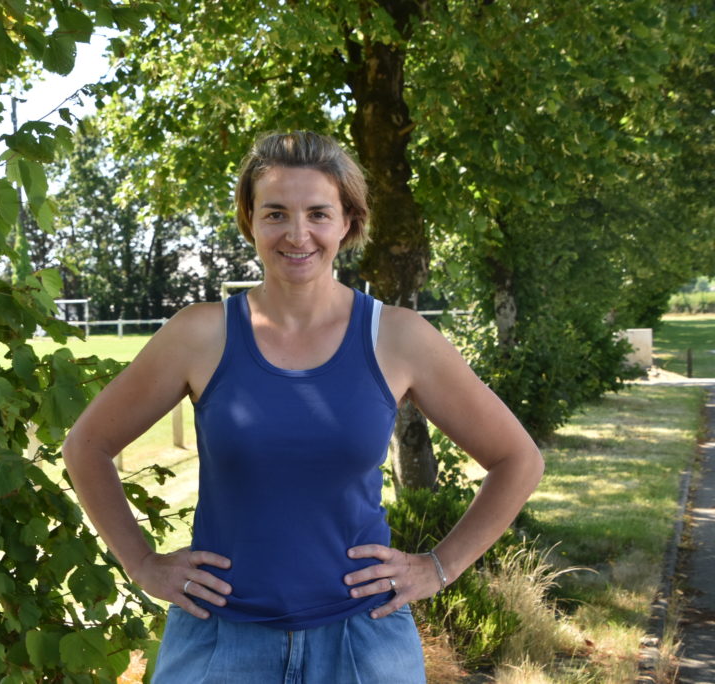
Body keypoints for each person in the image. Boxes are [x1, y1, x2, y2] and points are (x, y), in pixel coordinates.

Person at [62, 131, 543, 682]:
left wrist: (439, 566)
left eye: (318, 213)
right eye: (276, 214)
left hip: (362, 643)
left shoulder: (398, 337)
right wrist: (142, 563)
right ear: (250, 220)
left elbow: (518, 460)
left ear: (348, 222)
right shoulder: (199, 335)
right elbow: (86, 446)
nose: (297, 234)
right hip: (219, 641)